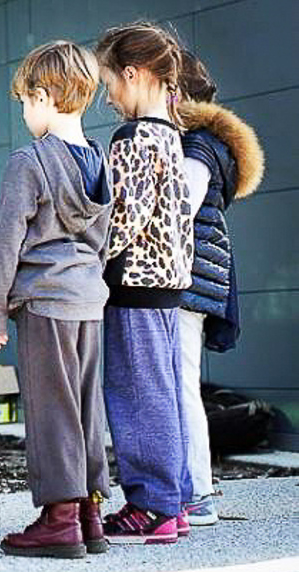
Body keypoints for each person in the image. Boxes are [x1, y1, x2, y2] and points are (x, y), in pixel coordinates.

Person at [0, 41, 113, 559]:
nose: (23, 111)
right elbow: (102, 241)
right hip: (87, 300)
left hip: (44, 304)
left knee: (52, 411)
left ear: (43, 95)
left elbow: (5, 242)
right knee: (85, 409)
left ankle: (59, 522)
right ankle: (89, 514)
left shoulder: (29, 162)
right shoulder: (99, 162)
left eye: (24, 101)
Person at [95, 22, 194, 544]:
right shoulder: (172, 137)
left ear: (132, 75)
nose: (108, 95)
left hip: (133, 287)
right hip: (167, 288)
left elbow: (121, 219)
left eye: (110, 81)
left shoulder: (133, 138)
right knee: (163, 392)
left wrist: (86, 259)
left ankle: (151, 505)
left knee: (137, 395)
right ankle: (172, 502)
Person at [176, 50, 265, 525]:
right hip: (199, 283)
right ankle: (197, 488)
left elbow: (180, 209)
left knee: (180, 387)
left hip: (184, 283)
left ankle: (197, 495)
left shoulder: (196, 146)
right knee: (182, 385)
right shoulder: (210, 144)